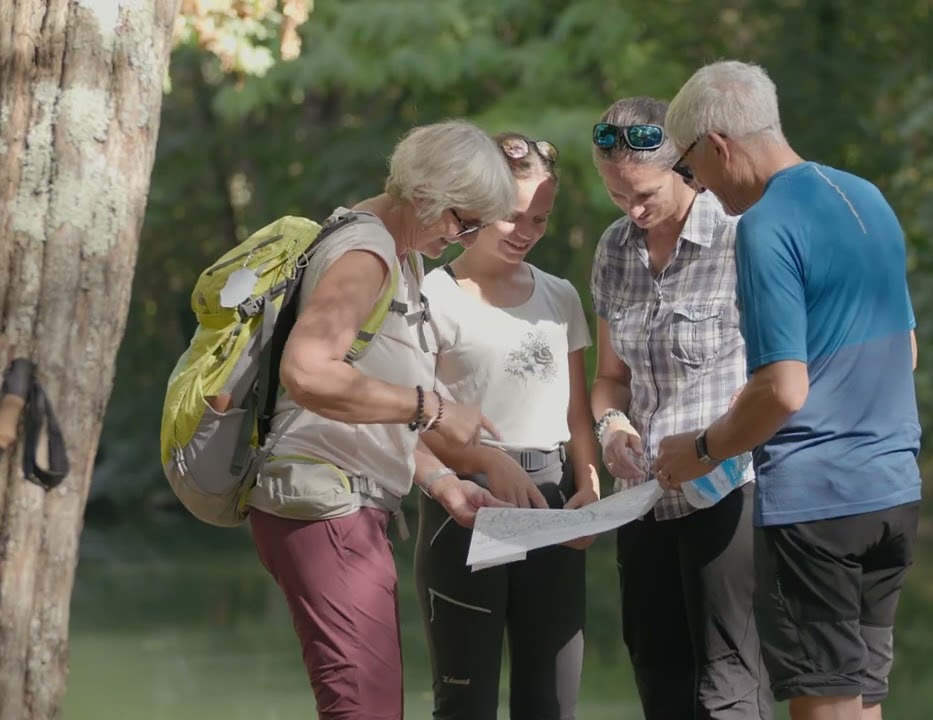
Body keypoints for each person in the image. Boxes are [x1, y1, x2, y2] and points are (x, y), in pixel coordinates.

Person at [652, 61, 923, 720]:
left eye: (690, 170)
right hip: (894, 491)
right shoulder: (866, 196)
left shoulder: (766, 226)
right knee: (861, 700)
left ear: (716, 146)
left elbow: (782, 389)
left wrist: (703, 449)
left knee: (822, 702)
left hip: (818, 507)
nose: (701, 188)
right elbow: (908, 351)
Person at [243, 119, 520, 720]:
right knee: (363, 710)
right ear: (425, 196)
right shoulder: (365, 253)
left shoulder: (395, 253)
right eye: (462, 221)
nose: (466, 238)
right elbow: (309, 374)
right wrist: (433, 408)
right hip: (327, 507)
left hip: (342, 505)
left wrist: (444, 484)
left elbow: (357, 402)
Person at [588, 96, 773, 720]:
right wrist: (610, 427)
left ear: (683, 168)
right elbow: (610, 379)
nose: (633, 210)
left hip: (727, 491)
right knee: (656, 672)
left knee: (728, 684)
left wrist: (716, 440)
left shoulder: (740, 236)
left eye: (644, 193)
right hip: (642, 501)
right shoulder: (614, 250)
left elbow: (778, 373)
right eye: (618, 196)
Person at [414, 133, 600, 720]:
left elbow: (576, 415)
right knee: (465, 706)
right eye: (512, 216)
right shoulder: (431, 295)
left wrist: (591, 489)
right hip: (466, 506)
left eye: (540, 220)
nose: (525, 232)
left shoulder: (561, 296)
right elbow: (409, 419)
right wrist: (464, 469)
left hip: (552, 501)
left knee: (550, 706)